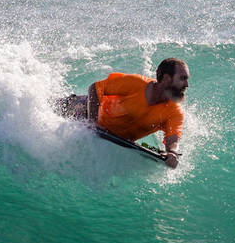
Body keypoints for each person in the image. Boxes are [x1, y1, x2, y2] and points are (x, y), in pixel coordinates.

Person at [55, 58, 189, 168]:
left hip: (111, 135)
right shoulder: (135, 83)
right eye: (182, 78)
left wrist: (172, 152)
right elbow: (94, 89)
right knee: (48, 109)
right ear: (166, 78)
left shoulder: (174, 112)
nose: (187, 84)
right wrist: (92, 122)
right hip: (84, 108)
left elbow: (173, 139)